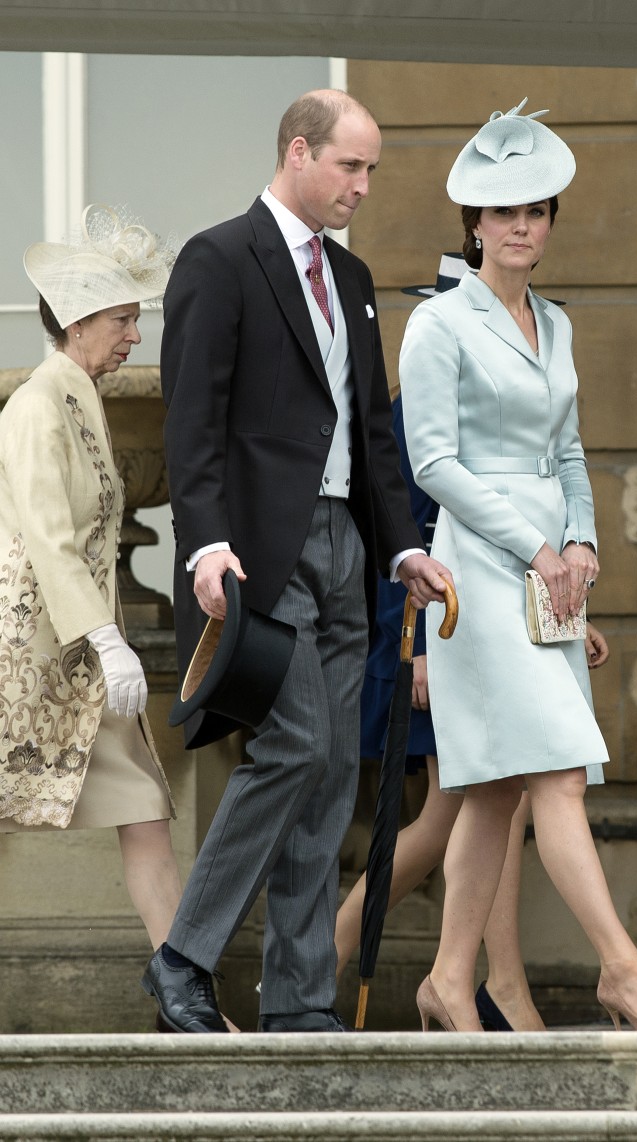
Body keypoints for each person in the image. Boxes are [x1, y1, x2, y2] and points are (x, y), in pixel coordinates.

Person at [142, 89, 451, 1034]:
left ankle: (301, 1000)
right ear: (297, 151)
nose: (364, 185)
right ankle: (184, 959)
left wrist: (401, 545)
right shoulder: (218, 259)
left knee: (332, 771)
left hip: (347, 552)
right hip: (256, 556)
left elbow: (367, 433)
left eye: (371, 170)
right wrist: (203, 544)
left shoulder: (352, 278)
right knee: (295, 745)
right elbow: (189, 423)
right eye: (350, 166)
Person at [399, 101, 637, 1033]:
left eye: (536, 209)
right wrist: (536, 549)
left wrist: (583, 547)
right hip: (478, 574)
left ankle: (450, 978)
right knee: (562, 772)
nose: (522, 225)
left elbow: (569, 455)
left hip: (549, 574)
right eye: (504, 211)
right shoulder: (439, 326)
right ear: (475, 226)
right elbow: (434, 465)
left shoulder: (557, 326)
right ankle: (622, 970)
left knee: (493, 787)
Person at [334, 273, 611, 1030]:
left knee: (493, 802)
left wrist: (563, 618)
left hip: (487, 626)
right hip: (438, 641)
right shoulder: (414, 408)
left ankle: (478, 982)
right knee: (451, 817)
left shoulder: (499, 409)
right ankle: (331, 959)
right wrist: (419, 651)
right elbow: (404, 540)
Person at [0, 205, 183, 955]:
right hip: (30, 657)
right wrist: (108, 638)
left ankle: (185, 995)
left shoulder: (82, 399)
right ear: (76, 323)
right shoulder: (36, 405)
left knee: (145, 807)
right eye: (122, 321)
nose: (134, 336)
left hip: (82, 664)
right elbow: (47, 535)